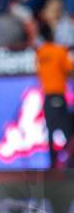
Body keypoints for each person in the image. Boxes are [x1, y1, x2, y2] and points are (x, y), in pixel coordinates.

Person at [36, 22, 73, 168]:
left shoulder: (40, 53)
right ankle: (69, 160)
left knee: (50, 130)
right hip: (58, 94)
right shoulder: (60, 51)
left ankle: (52, 163)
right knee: (67, 131)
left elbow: (38, 70)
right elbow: (70, 69)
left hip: (47, 95)